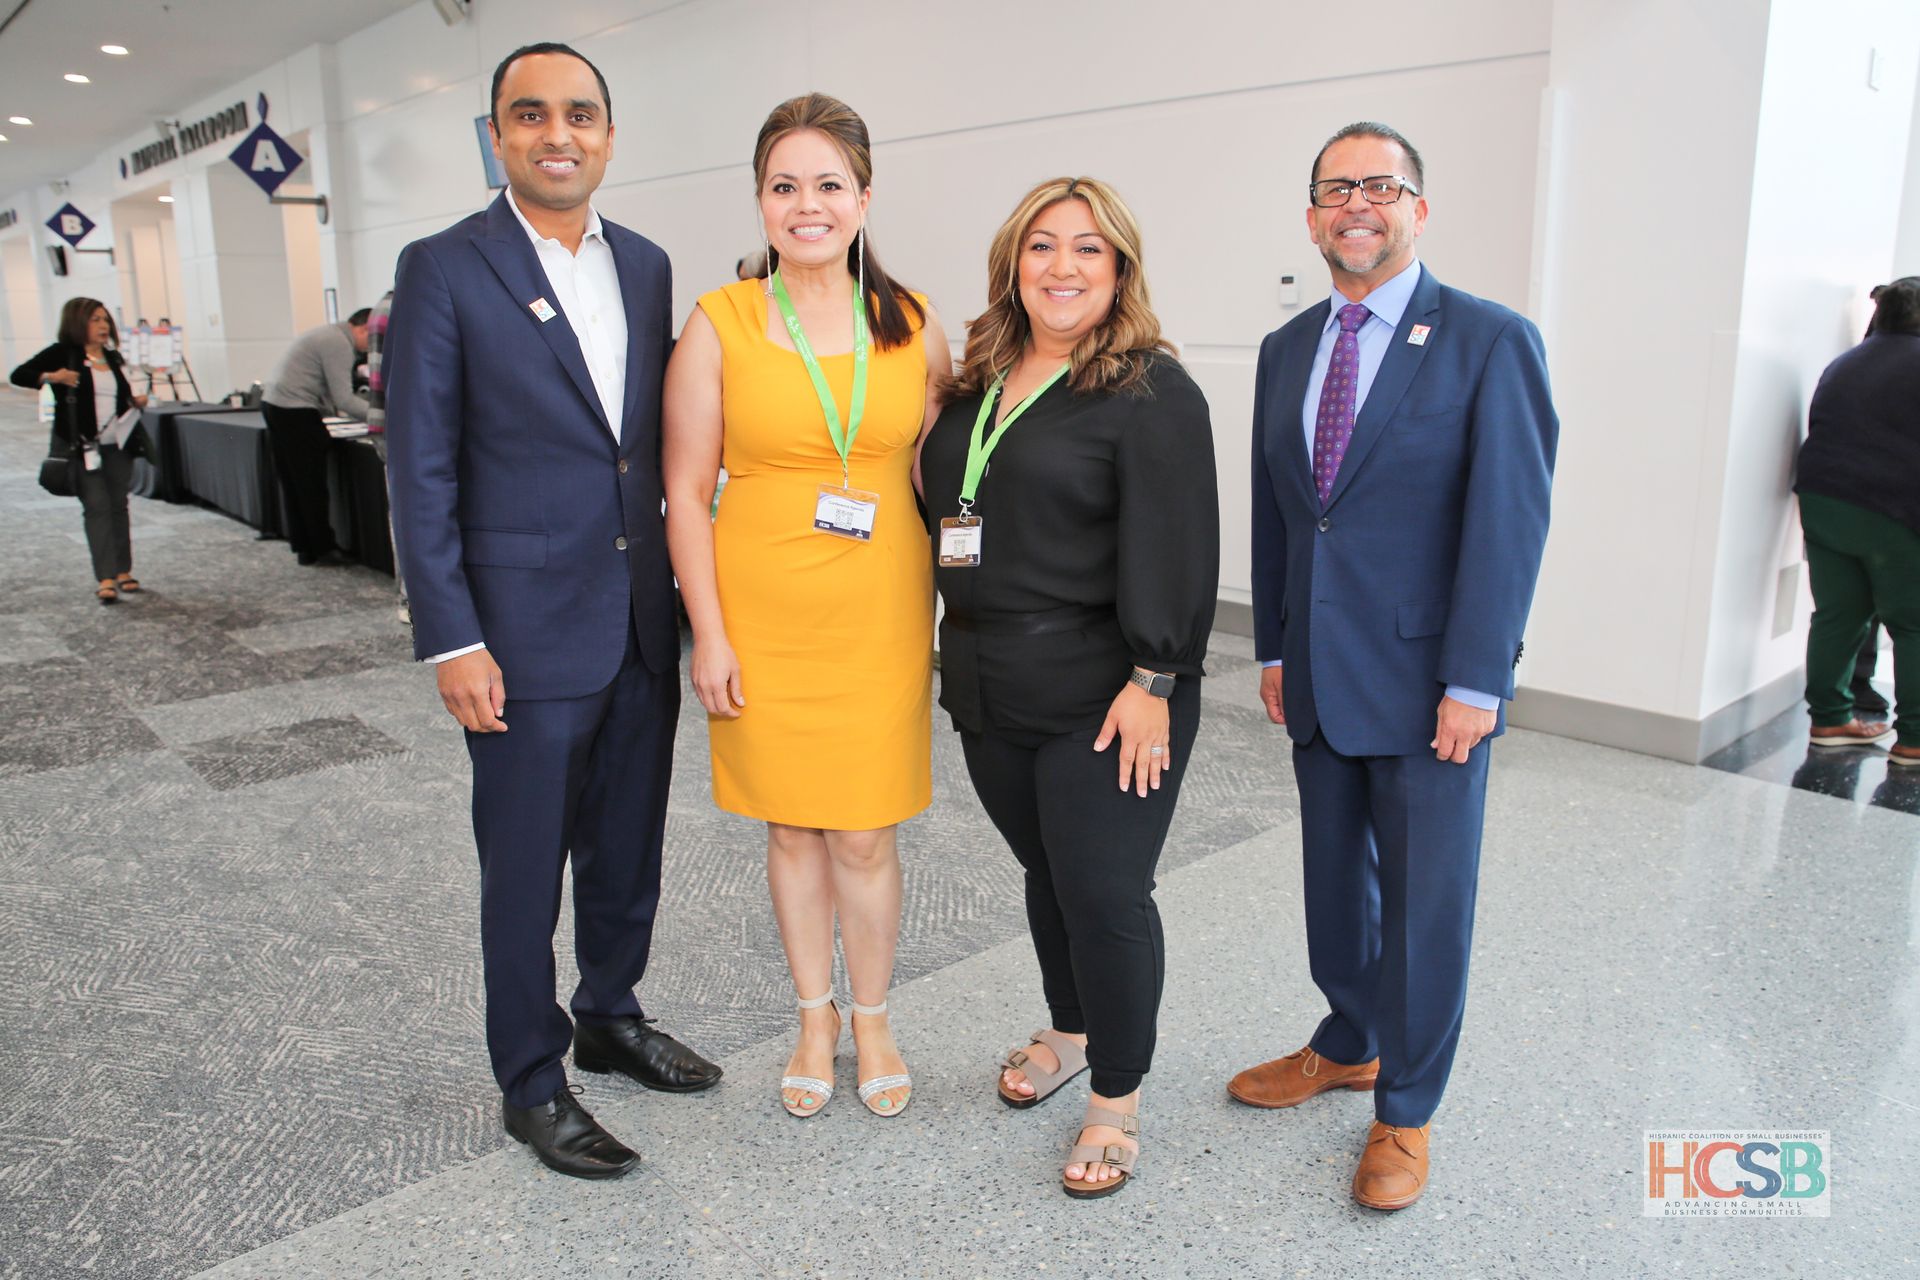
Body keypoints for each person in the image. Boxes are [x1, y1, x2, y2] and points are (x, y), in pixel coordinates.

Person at [386, 41, 720, 1183]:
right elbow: (419, 467)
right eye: (530, 115)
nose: (557, 134)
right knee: (525, 865)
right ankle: (532, 1075)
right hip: (518, 632)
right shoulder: (444, 266)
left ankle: (609, 1013)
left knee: (628, 844)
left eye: (579, 114)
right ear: (496, 135)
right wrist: (452, 634)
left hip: (638, 614)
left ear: (611, 136)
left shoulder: (647, 264)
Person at [1233, 122, 1559, 1210]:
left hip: (1431, 688)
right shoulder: (1288, 348)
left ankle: (1406, 1109)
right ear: (1311, 215)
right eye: (1336, 189)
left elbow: (1507, 523)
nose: (1357, 204)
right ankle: (1351, 1035)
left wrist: (1479, 680)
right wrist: (1275, 645)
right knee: (1336, 885)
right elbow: (1284, 517)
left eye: (1382, 185)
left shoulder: (1487, 340)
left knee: (1424, 905)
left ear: (1418, 207)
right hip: (1320, 673)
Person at [918, 176, 1218, 1198]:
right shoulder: (977, 384)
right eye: (1042, 246)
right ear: (1012, 263)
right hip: (989, 680)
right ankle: (1073, 1027)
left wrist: (1155, 676)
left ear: (1120, 268)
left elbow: (1180, 546)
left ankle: (1117, 1096)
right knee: (1048, 872)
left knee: (1103, 887)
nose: (1062, 266)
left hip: (1107, 686)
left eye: (1088, 249)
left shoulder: (1148, 389)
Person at [663, 93, 947, 1121]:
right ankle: (814, 1015)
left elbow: (942, 473)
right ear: (761, 202)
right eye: (785, 186)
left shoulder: (912, 325)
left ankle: (873, 1014)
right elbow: (686, 492)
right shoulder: (721, 321)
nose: (807, 203)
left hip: (877, 615)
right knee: (791, 828)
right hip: (763, 615)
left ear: (864, 198)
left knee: (866, 832)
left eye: (828, 183)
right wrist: (712, 632)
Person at [1793, 276, 1920, 767]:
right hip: (1893, 511)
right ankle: (1912, 739)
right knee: (1912, 625)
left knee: (1838, 615)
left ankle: (1829, 720)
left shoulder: (1847, 361)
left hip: (1824, 501)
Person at [12, 297, 150, 603]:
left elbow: (120, 396)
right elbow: (18, 374)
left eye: (104, 320)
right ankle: (105, 575)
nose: (102, 326)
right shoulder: (64, 354)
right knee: (97, 506)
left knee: (119, 505)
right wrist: (51, 377)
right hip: (82, 448)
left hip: (118, 444)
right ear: (77, 323)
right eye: (94, 320)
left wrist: (135, 401)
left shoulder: (113, 358)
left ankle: (123, 569)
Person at [260, 309, 371, 564]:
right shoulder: (339, 343)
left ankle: (306, 547)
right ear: (362, 329)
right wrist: (385, 418)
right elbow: (344, 399)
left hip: (274, 405)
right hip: (295, 411)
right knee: (311, 483)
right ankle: (323, 548)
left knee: (295, 483)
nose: (370, 348)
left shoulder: (325, 333)